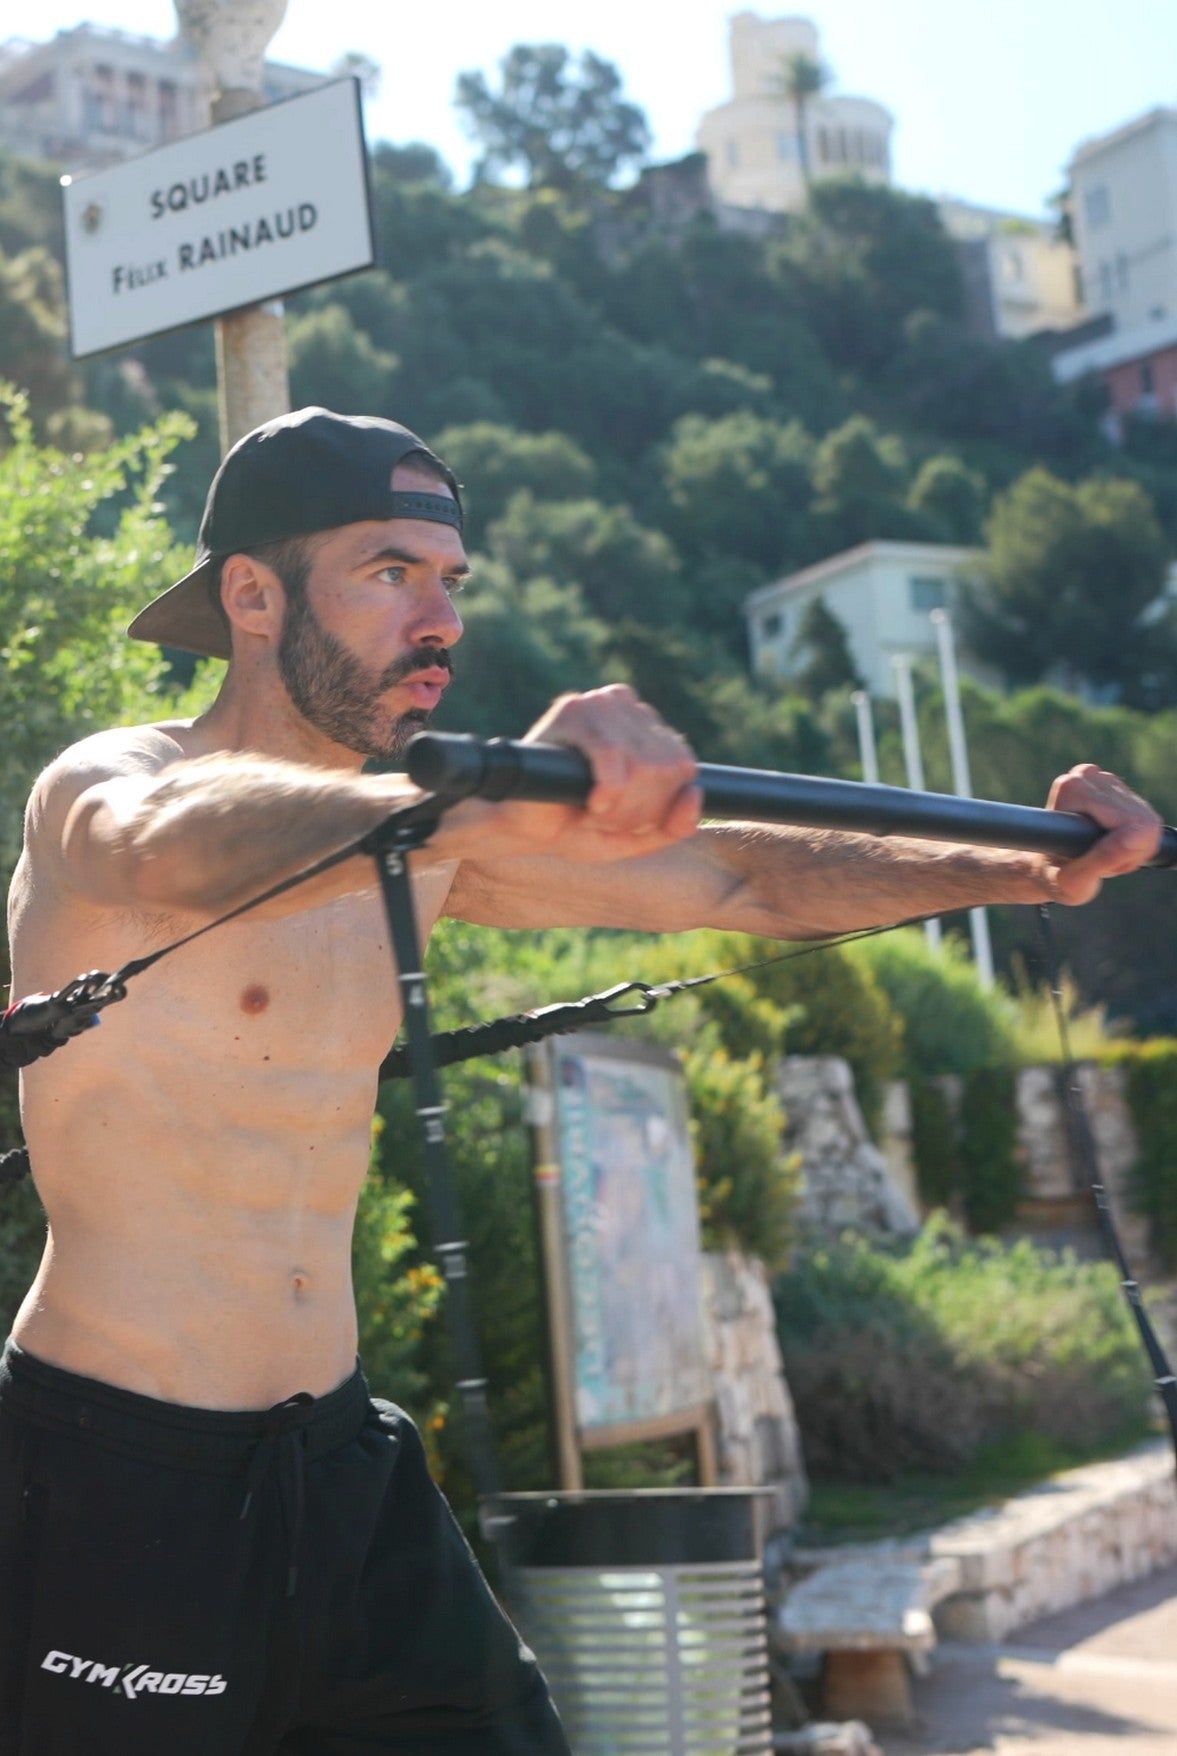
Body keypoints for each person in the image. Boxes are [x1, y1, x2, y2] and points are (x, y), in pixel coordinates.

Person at [0, 405, 1162, 1755]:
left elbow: (740, 872)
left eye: (452, 582)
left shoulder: (427, 843)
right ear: (252, 596)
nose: (438, 618)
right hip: (116, 1475)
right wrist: (461, 807)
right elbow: (163, 845)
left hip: (342, 1467)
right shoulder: (118, 786)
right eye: (390, 572)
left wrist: (1030, 865)